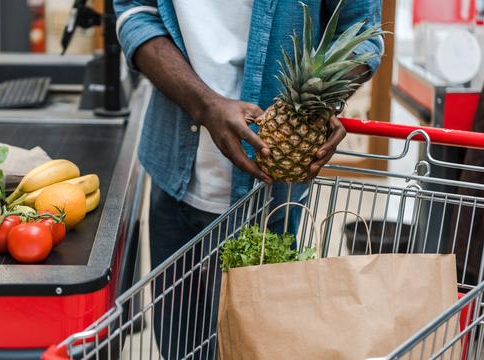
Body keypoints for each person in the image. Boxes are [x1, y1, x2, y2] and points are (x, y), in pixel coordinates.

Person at [114, 0, 383, 358]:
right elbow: (135, 13)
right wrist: (204, 104)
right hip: (171, 168)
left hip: (272, 192)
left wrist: (321, 104)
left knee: (253, 347)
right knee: (177, 345)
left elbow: (363, 31)